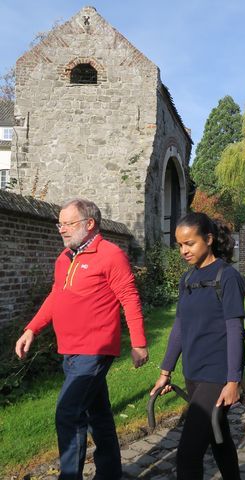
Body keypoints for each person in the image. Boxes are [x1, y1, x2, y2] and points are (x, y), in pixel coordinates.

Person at [14, 198, 148, 480]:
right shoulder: (64, 259)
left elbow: (129, 297)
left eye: (67, 223)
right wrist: (31, 329)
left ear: (89, 224)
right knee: (97, 414)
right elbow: (56, 297)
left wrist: (138, 343)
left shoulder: (111, 254)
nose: (61, 229)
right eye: (59, 224)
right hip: (70, 349)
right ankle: (110, 473)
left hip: (95, 349)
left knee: (69, 412)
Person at [151, 213, 244, 479]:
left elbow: (234, 329)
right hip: (193, 372)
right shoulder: (187, 279)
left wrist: (233, 381)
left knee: (188, 455)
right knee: (219, 437)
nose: (184, 250)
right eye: (180, 245)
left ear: (209, 239)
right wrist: (165, 371)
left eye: (189, 243)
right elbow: (180, 326)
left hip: (217, 375)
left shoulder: (227, 277)